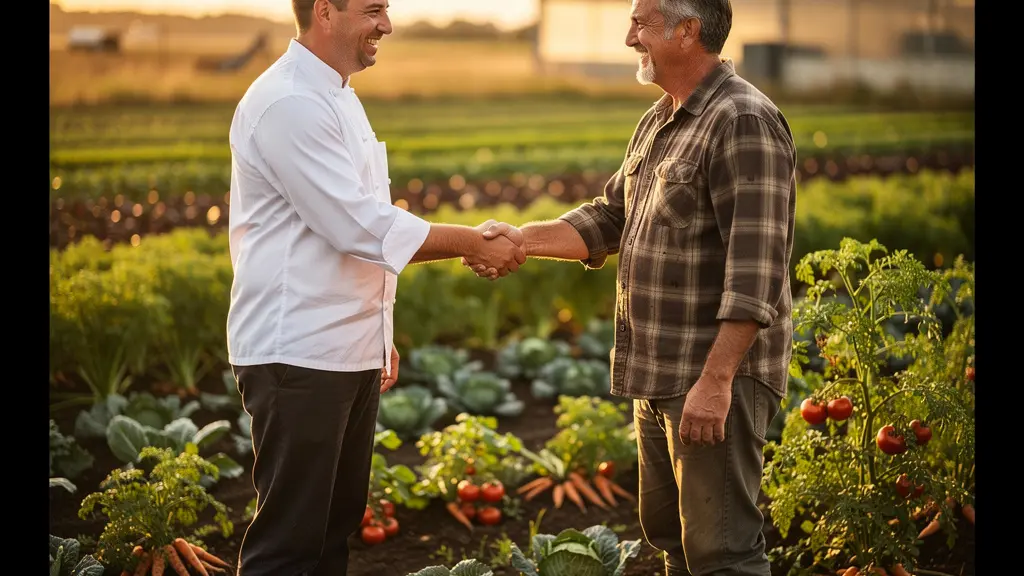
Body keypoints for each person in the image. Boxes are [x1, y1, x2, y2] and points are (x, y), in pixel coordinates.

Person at [465, 1, 797, 574]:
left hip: (713, 376)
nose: (628, 38)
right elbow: (611, 217)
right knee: (670, 537)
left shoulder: (741, 119)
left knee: (723, 552)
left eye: (640, 24)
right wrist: (520, 237)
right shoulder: (661, 118)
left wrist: (716, 382)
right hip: (660, 373)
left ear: (687, 30)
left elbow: (757, 270)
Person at [225, 1, 525, 574]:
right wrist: (471, 241)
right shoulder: (289, 101)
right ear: (325, 12)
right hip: (299, 352)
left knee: (332, 532)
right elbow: (356, 224)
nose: (386, 24)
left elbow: (362, 221)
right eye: (373, 9)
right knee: (289, 546)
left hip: (342, 350)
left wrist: (376, 333)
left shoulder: (336, 94)